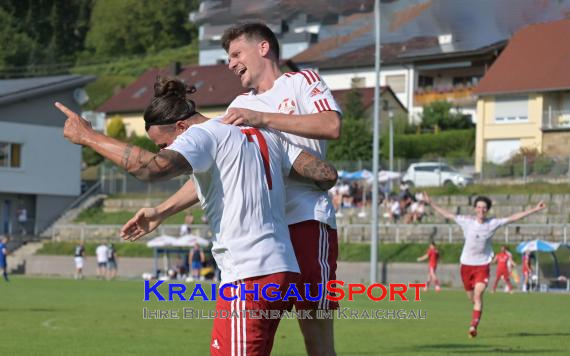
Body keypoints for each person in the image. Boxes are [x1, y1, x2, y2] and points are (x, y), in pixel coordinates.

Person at [56, 76, 338, 355]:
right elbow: (325, 175)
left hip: (249, 272)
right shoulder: (261, 134)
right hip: (280, 267)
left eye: (164, 145)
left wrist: (88, 136)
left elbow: (151, 169)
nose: (166, 151)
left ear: (181, 127)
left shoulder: (201, 135)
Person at [423, 192, 546, 338]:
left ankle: (473, 326)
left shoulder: (492, 223)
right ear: (475, 208)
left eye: (484, 208)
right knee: (472, 298)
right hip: (466, 266)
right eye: (479, 207)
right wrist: (431, 203)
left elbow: (513, 217)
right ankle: (476, 310)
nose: (481, 210)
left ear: (487, 210)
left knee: (478, 293)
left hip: (482, 265)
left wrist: (534, 209)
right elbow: (447, 214)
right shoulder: (466, 221)